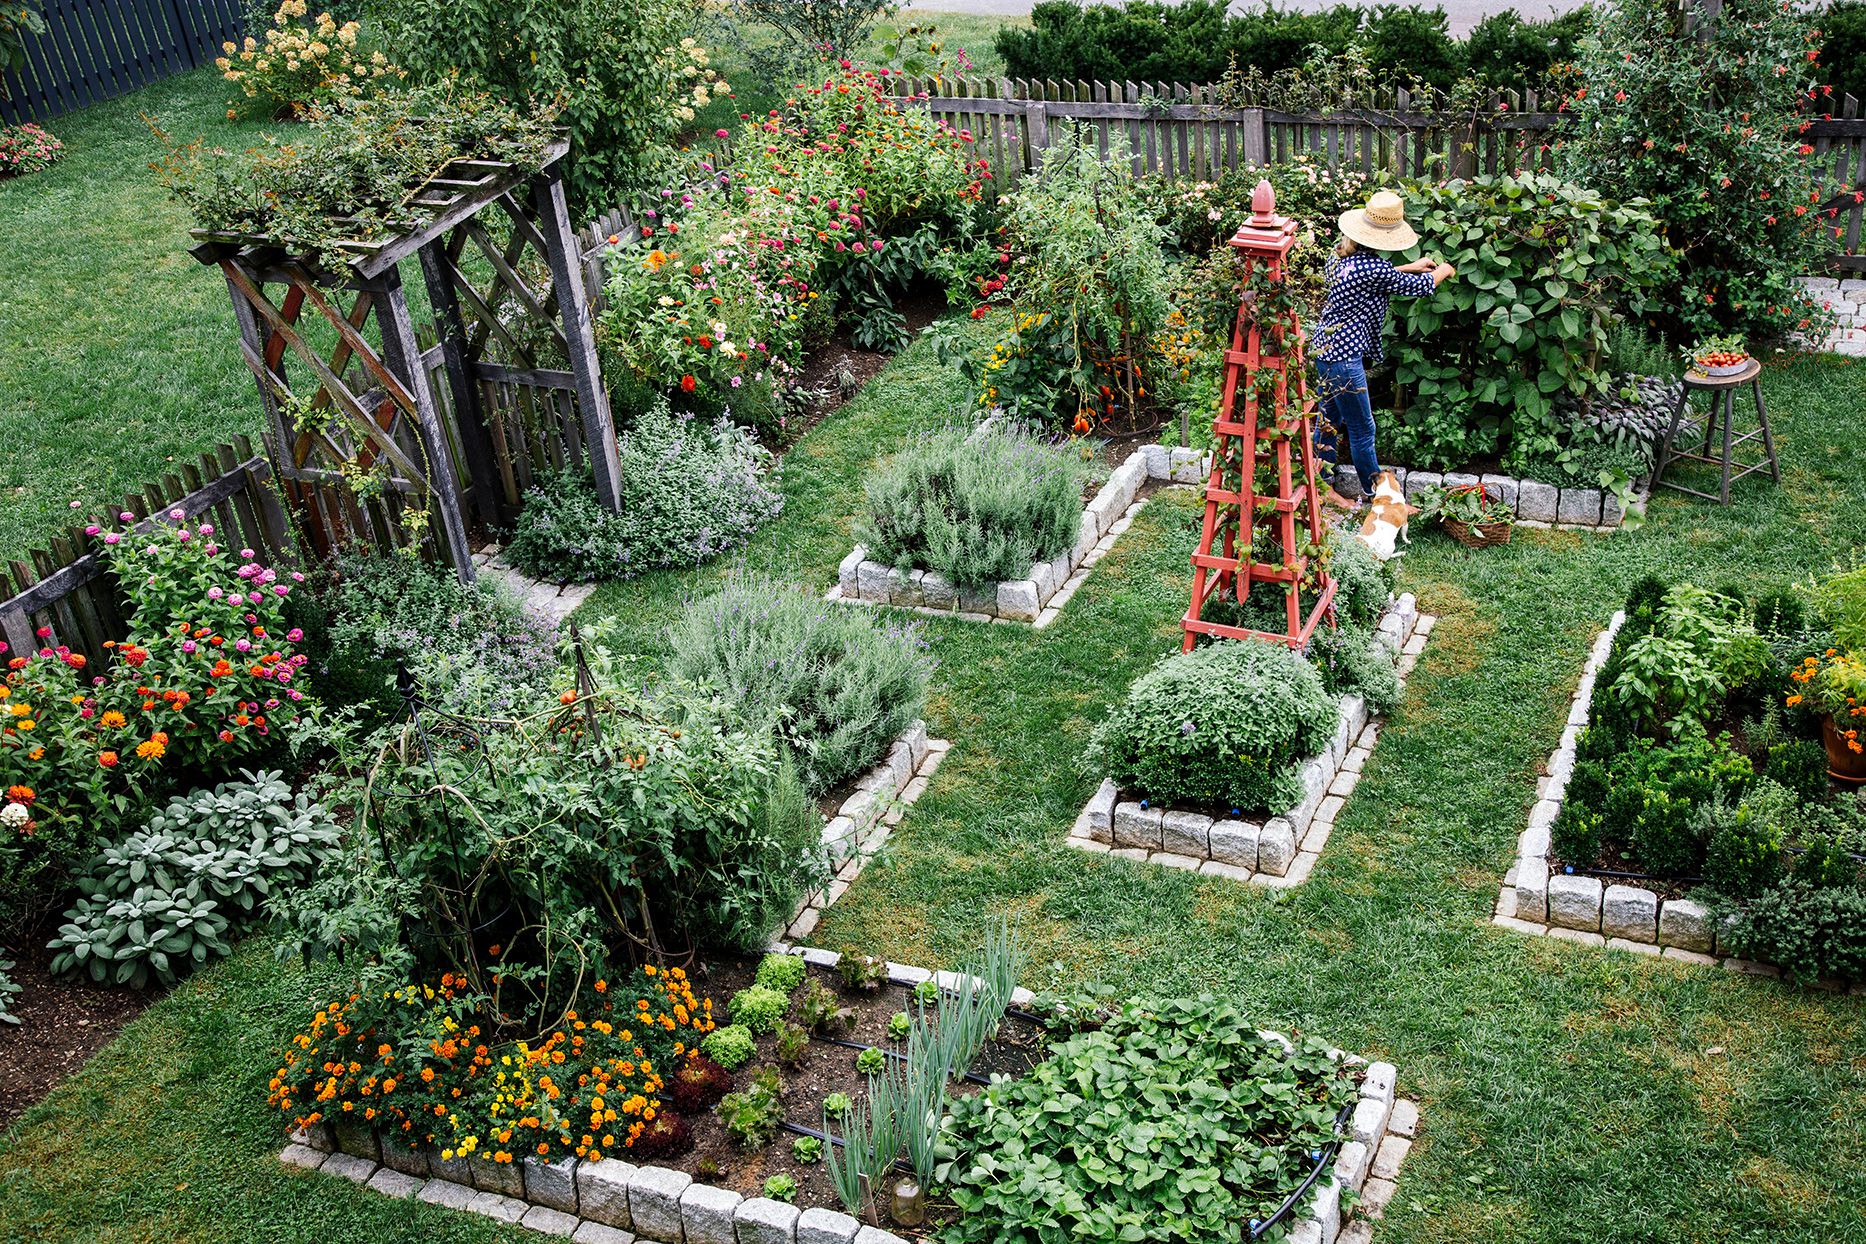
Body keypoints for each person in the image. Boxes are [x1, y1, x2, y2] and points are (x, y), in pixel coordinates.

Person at [1310, 189, 1454, 511]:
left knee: (1329, 420)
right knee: (1363, 429)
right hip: (1345, 361)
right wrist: (1443, 269)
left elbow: (1377, 280)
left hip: (1325, 352)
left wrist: (1411, 265)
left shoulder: (1340, 258)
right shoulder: (1374, 270)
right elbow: (1423, 287)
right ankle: (1379, 499)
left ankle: (1322, 487)